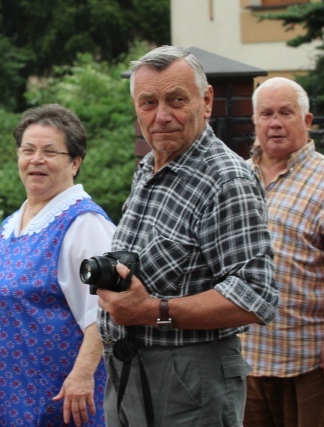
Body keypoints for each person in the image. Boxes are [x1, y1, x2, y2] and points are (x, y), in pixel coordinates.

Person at [95, 45, 279, 427]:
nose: (161, 116)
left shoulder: (225, 179)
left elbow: (256, 295)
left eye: (176, 100)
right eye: (148, 103)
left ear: (206, 101)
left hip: (190, 380)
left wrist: (152, 311)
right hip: (129, 372)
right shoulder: (149, 166)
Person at [0, 104, 115, 426]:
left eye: (50, 151)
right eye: (28, 150)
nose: (36, 159)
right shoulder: (11, 224)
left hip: (53, 399)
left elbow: (107, 310)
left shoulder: (86, 223)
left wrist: (82, 376)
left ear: (75, 162)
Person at [241, 77, 324, 426]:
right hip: (248, 355)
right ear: (255, 121)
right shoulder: (239, 177)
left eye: (286, 112)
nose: (276, 122)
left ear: (307, 121)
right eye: (266, 114)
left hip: (311, 358)